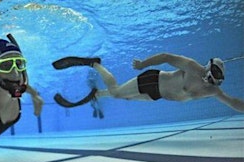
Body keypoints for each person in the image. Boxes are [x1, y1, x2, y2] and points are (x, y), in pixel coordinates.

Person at [52, 53, 244, 113]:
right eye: (214, 70)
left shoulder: (212, 91)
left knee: (124, 97)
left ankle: (98, 94)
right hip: (153, 80)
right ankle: (94, 63)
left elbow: (232, 101)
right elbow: (167, 57)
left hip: (157, 95)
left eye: (217, 74)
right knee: (119, 92)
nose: (212, 76)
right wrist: (144, 64)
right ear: (208, 66)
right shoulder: (193, 67)